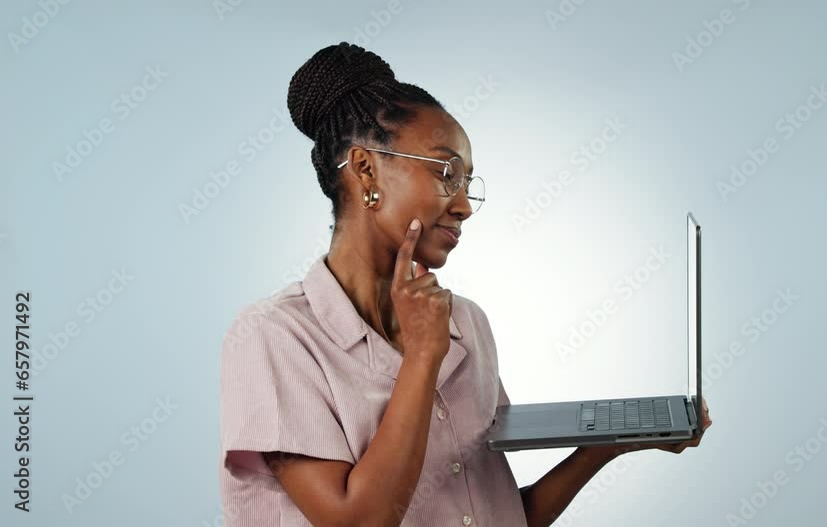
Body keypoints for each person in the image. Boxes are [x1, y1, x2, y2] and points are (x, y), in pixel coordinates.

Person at [218, 41, 712, 527]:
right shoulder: (273, 336)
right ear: (365, 169)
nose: (464, 205)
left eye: (467, 182)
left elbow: (491, 512)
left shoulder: (466, 323)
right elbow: (359, 520)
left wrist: (604, 447)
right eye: (446, 174)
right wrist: (422, 355)